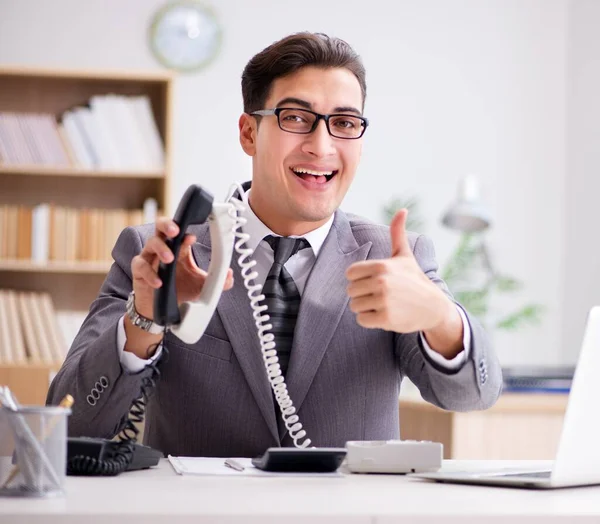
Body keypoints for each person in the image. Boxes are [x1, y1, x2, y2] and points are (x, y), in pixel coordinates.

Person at [47, 32, 502, 458]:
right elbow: (71, 423)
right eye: (297, 118)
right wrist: (146, 315)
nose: (321, 146)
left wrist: (440, 318)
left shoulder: (395, 260)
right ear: (249, 133)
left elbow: (471, 395)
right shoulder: (156, 253)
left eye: (343, 123)